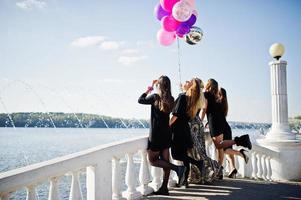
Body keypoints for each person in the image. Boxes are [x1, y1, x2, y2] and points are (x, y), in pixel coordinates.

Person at [138, 75, 186, 195]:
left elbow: (140, 100)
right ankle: (164, 188)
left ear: (159, 85)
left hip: (156, 134)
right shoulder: (171, 99)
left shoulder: (155, 97)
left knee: (153, 160)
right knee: (165, 162)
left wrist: (149, 89)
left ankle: (177, 168)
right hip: (166, 133)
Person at [200, 79, 252, 178]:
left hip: (215, 124)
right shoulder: (217, 99)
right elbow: (216, 112)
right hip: (223, 124)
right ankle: (219, 171)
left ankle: (240, 143)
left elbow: (204, 110)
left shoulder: (206, 95)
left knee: (219, 147)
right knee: (221, 149)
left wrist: (199, 122)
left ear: (208, 85)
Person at [170, 78, 205, 188]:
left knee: (176, 155)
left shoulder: (183, 97)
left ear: (190, 87)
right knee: (184, 156)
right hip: (185, 130)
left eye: (188, 81)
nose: (185, 82)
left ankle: (197, 163)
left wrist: (167, 125)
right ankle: (185, 181)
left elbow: (175, 115)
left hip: (178, 130)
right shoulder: (192, 100)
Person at [218, 88, 249, 178]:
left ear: (219, 94)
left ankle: (240, 153)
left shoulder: (218, 103)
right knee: (228, 151)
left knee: (224, 150)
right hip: (226, 128)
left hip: (223, 129)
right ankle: (233, 169)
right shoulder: (224, 103)